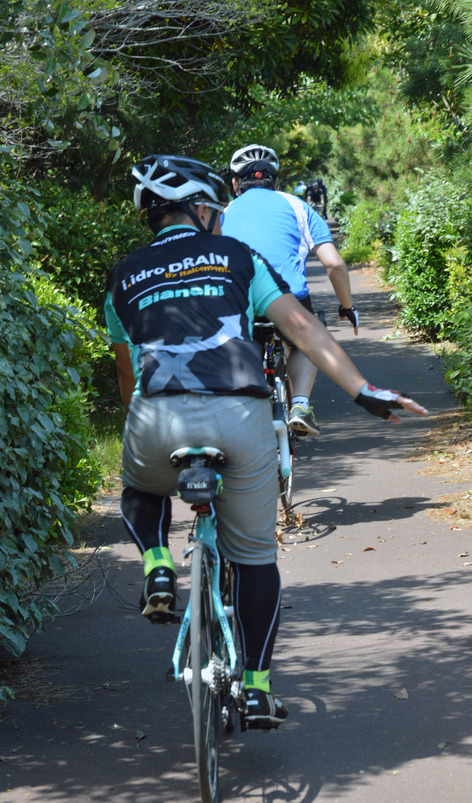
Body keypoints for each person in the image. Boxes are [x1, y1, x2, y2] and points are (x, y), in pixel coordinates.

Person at [104, 154, 428, 729]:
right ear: (204, 209)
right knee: (255, 558)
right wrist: (362, 391)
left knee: (141, 485)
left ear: (150, 216)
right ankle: (255, 686)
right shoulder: (238, 258)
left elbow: (130, 378)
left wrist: (147, 420)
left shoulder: (123, 275)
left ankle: (157, 563)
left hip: (157, 421)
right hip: (239, 417)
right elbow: (302, 328)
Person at [222, 144, 358, 437]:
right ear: (275, 181)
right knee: (308, 339)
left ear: (235, 184)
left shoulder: (223, 214)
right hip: (287, 299)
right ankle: (299, 405)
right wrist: (347, 307)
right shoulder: (298, 206)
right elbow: (334, 265)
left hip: (237, 301)